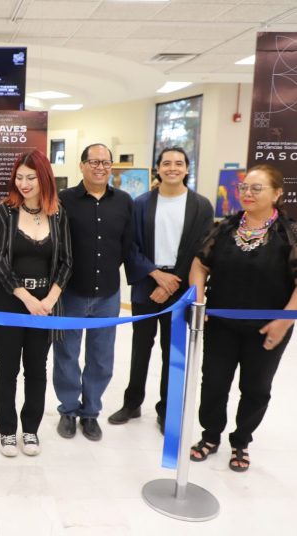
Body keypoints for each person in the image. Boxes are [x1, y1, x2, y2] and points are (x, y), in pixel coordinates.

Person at [189, 164, 296, 472]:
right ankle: (210, 435)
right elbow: (199, 264)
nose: (247, 193)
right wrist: (198, 301)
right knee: (214, 383)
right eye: (244, 188)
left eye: (256, 188)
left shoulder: (289, 233)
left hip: (268, 328)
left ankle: (241, 441)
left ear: (277, 193)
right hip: (221, 324)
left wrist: (284, 321)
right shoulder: (225, 228)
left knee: (256, 387)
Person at [108, 147, 213, 433]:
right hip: (148, 282)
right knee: (140, 347)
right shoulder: (141, 203)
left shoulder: (201, 206)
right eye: (166, 163)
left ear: (187, 169)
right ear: (158, 168)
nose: (172, 168)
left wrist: (172, 282)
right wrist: (156, 275)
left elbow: (201, 249)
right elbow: (131, 245)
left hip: (181, 286)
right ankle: (132, 403)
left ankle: (167, 409)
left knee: (173, 350)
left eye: (179, 163)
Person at [0, 150, 72, 457]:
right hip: (10, 302)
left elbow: (67, 262)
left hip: (45, 306)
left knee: (37, 368)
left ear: (44, 178)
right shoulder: (4, 211)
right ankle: (7, 431)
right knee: (7, 368)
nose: (24, 183)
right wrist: (27, 298)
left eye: (31, 177)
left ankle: (30, 429)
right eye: (19, 177)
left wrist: (49, 299)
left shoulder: (58, 213)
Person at [52, 143, 133, 441]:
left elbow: (128, 245)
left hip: (108, 294)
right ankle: (68, 410)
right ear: (82, 165)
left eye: (105, 162)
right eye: (94, 162)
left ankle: (90, 413)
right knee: (66, 355)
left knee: (101, 358)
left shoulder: (124, 201)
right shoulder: (63, 200)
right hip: (70, 292)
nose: (100, 167)